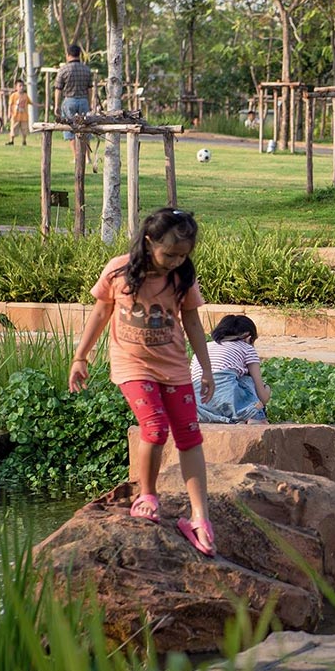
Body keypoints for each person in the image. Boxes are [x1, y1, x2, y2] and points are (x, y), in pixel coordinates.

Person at [69, 207, 220, 556]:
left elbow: (194, 324)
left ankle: (200, 515)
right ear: (149, 241)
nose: (174, 261)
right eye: (169, 253)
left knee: (189, 435)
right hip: (132, 363)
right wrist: (80, 356)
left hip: (174, 365)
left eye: (183, 256)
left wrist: (207, 368)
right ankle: (147, 495)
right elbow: (100, 313)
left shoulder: (181, 277)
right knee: (154, 427)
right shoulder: (119, 271)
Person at [191, 314, 273, 425]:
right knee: (247, 380)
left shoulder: (204, 347)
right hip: (228, 396)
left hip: (200, 405)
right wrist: (267, 389)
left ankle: (228, 419)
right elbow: (262, 396)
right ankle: (255, 418)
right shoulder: (247, 348)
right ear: (248, 337)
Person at [56, 44, 94, 156]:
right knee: (85, 129)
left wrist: (57, 106)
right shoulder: (86, 69)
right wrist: (90, 102)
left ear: (68, 55)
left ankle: (76, 157)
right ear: (79, 55)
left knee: (70, 130)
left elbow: (58, 89)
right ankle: (87, 157)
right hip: (83, 101)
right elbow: (90, 89)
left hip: (69, 101)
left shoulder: (63, 70)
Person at [6, 79, 32, 146]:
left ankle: (24, 141)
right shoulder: (13, 95)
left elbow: (31, 102)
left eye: (22, 86)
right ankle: (11, 141)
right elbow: (10, 105)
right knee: (13, 129)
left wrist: (40, 105)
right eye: (20, 86)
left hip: (24, 117)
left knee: (24, 130)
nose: (22, 87)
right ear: (16, 87)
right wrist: (9, 113)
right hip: (15, 116)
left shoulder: (25, 96)